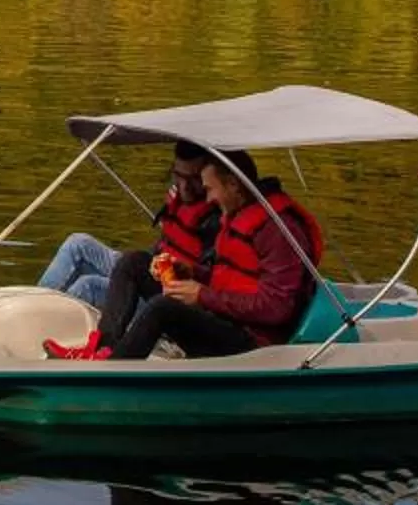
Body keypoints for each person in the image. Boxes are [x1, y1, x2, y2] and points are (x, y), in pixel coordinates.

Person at [51, 149, 322, 362]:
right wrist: (193, 273)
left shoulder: (276, 229)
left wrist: (202, 295)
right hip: (224, 317)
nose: (208, 199)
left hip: (251, 342)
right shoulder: (238, 211)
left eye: (210, 189)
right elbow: (230, 276)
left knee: (162, 307)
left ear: (233, 185)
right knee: (133, 262)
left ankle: (112, 373)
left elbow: (277, 308)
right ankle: (102, 348)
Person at [39, 141, 216, 310]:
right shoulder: (179, 199)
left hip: (165, 299)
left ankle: (42, 324)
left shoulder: (216, 217)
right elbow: (165, 243)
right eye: (179, 176)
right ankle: (33, 306)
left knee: (88, 285)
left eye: (194, 179)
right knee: (78, 243)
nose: (185, 187)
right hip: (151, 271)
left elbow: (210, 279)